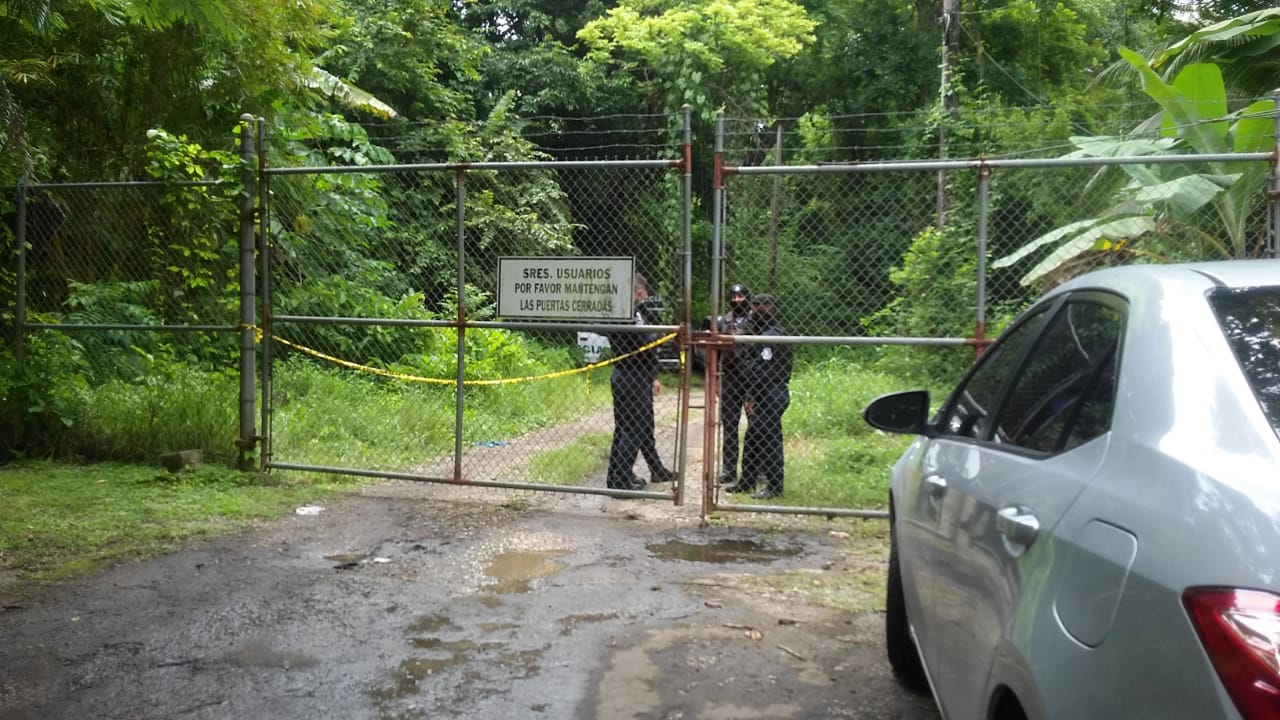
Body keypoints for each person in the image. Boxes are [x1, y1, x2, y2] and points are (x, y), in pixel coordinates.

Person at [605, 273, 675, 490]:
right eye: (642, 293)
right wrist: (663, 334)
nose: (644, 297)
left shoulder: (633, 312)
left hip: (635, 374)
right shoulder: (624, 313)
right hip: (630, 375)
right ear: (637, 291)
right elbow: (640, 343)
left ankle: (619, 475)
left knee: (629, 427)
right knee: (631, 429)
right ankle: (620, 480)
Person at [726, 294, 793, 499]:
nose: (755, 311)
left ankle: (775, 486)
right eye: (754, 307)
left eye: (760, 307)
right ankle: (747, 481)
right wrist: (751, 396)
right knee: (754, 437)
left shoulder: (772, 336)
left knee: (769, 440)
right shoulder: (763, 333)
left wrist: (754, 396)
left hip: (771, 394)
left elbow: (764, 372)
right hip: (764, 393)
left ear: (771, 308)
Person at [717, 283, 753, 486]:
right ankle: (728, 469)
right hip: (729, 378)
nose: (737, 300)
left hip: (750, 380)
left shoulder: (756, 320)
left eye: (741, 296)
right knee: (729, 426)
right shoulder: (723, 321)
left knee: (755, 425)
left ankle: (757, 469)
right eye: (734, 296)